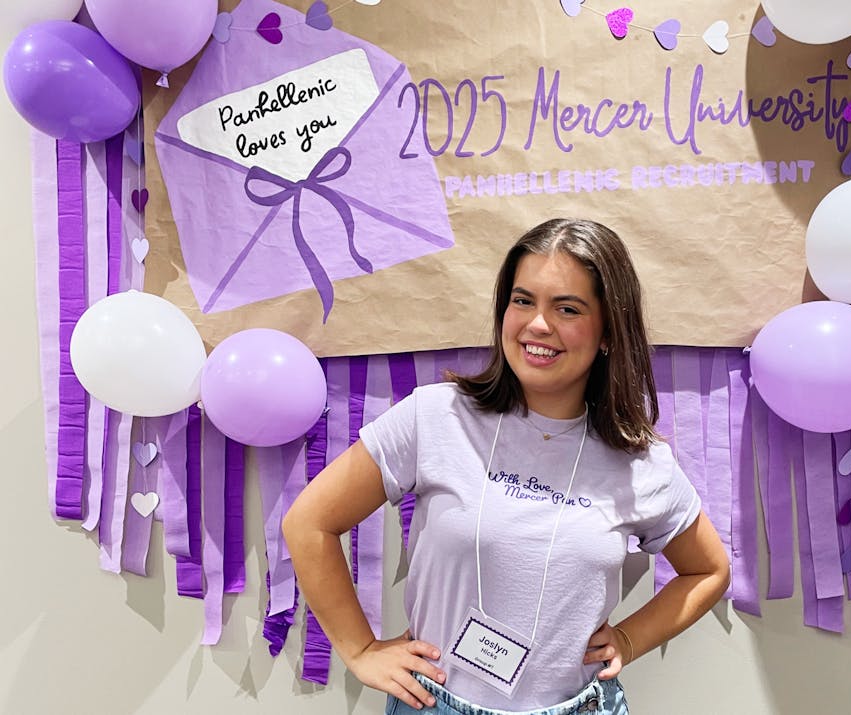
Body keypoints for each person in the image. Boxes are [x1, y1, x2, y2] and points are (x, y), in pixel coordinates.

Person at [283, 218, 730, 715]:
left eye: (567, 308)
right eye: (523, 301)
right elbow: (309, 523)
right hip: (438, 703)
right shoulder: (436, 416)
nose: (538, 324)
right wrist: (360, 651)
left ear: (607, 332)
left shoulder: (641, 462)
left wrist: (626, 639)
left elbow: (708, 570)